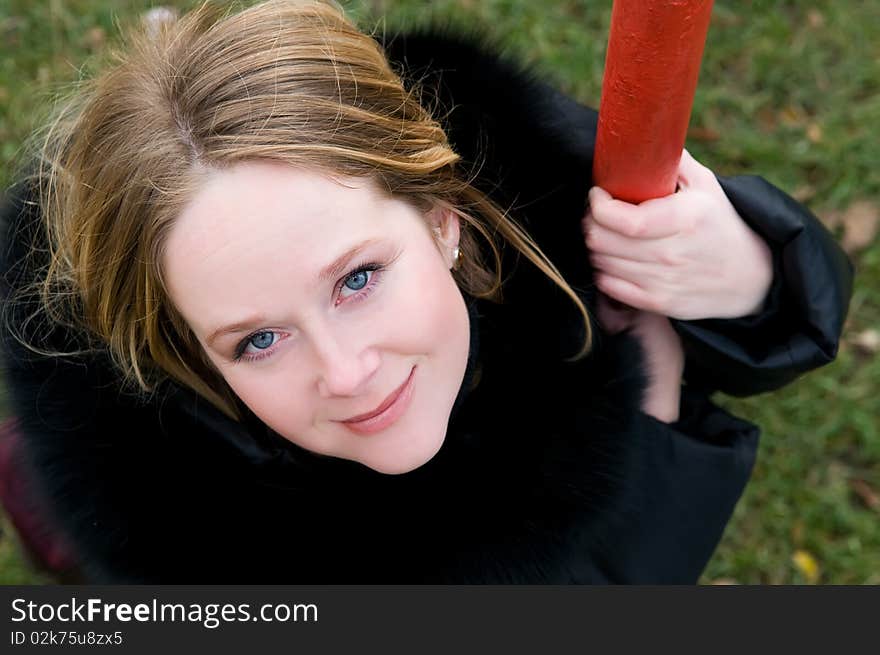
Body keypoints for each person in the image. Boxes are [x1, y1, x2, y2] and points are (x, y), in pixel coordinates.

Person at [0, 0, 853, 583]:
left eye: (357, 279)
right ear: (184, 345)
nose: (345, 372)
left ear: (444, 220)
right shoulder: (183, 537)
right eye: (256, 338)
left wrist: (743, 270)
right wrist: (655, 429)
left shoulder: (529, 172)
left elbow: (769, 333)